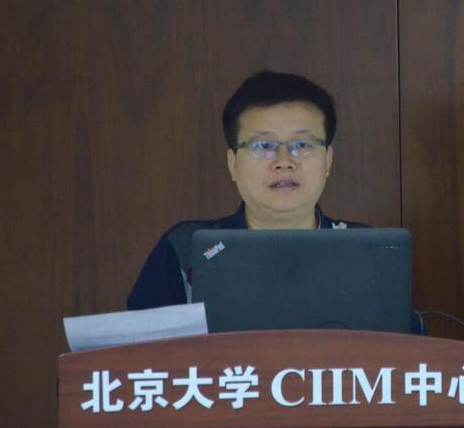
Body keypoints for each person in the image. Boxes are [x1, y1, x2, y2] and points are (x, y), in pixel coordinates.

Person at [127, 71, 367, 310]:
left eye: (302, 144)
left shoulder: (366, 250)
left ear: (328, 160)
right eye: (263, 146)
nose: (284, 161)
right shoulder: (187, 250)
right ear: (233, 164)